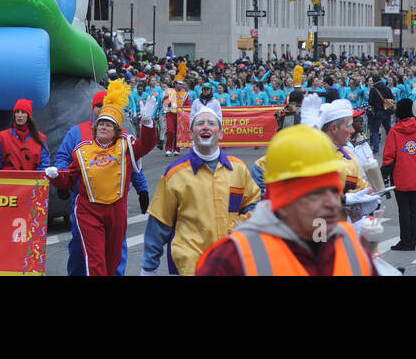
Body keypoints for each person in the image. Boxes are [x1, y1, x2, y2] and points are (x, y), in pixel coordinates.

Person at [195, 125, 377, 276]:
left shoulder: (348, 241)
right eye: (316, 194)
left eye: (333, 191)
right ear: (284, 200)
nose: (333, 203)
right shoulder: (234, 258)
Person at [45, 81, 159, 275]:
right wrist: (57, 177)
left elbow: (145, 147)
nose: (104, 126)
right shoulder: (83, 149)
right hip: (88, 209)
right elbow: (69, 176)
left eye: (108, 124)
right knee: (94, 259)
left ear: (116, 130)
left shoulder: (126, 145)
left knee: (114, 260)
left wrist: (147, 123)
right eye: (101, 124)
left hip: (117, 209)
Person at [141, 98, 261, 275]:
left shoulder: (238, 169)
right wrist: (148, 268)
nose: (205, 126)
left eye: (211, 123)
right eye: (200, 123)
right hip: (189, 268)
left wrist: (244, 225)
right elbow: (159, 223)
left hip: (231, 264)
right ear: (191, 133)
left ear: (220, 133)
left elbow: (253, 204)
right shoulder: (175, 174)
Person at [380, 97, 416, 251]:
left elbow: (389, 157)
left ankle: (405, 241)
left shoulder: (395, 131)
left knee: (403, 210)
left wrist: (384, 176)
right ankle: (413, 240)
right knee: (415, 209)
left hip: (400, 177)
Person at [0, 99, 50, 171]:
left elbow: (44, 167)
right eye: (17, 112)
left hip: (32, 181)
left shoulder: (40, 138)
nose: (19, 115)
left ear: (28, 115)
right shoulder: (3, 137)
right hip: (8, 180)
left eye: (23, 112)